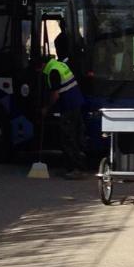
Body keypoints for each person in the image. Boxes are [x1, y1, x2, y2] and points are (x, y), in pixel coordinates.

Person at [42, 32, 86, 179]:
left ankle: (75, 169)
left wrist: (46, 109)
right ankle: (73, 167)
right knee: (75, 135)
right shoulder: (60, 65)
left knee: (68, 137)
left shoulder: (52, 71)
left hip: (69, 107)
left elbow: (55, 95)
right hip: (77, 103)